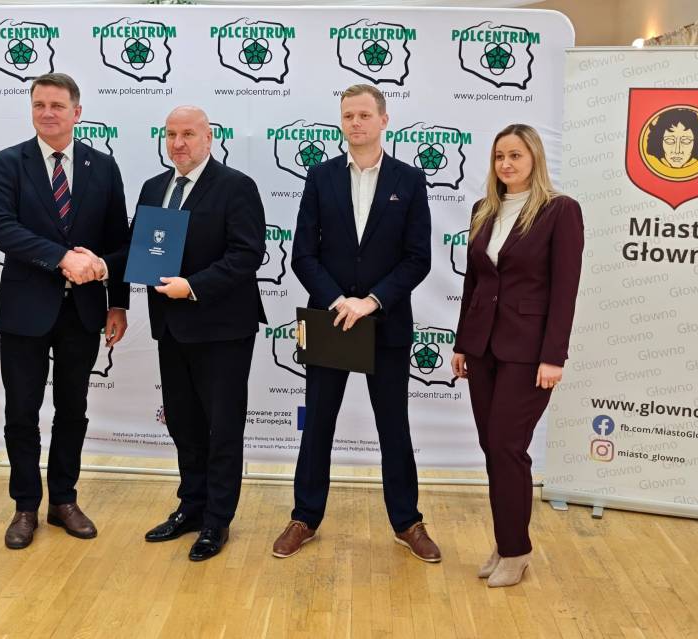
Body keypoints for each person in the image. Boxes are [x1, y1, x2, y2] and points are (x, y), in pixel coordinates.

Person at [272, 84, 438, 562]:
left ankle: (407, 522)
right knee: (318, 424)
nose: (356, 123)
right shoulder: (319, 177)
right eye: (348, 115)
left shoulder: (410, 180)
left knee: (394, 427)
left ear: (384, 120)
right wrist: (338, 299)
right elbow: (302, 254)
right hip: (331, 320)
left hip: (385, 322)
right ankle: (304, 517)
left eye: (365, 115)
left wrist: (371, 301)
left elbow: (418, 258)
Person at [0, 73, 131, 550]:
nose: (47, 113)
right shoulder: (7, 163)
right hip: (25, 310)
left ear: (76, 112)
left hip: (83, 312)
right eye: (39, 104)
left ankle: (64, 500)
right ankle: (25, 505)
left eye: (57, 105)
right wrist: (62, 257)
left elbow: (119, 242)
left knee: (73, 410)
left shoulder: (103, 167)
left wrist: (118, 302)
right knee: (21, 412)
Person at [451, 124, 584, 587]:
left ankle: (516, 550)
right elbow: (474, 284)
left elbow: (565, 289)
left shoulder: (559, 210)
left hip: (529, 352)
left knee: (507, 446)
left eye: (515, 155)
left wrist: (554, 356)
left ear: (535, 159)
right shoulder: (483, 209)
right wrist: (462, 343)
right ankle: (507, 540)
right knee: (494, 448)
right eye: (499, 156)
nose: (506, 164)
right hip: (482, 347)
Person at [137, 106, 266, 561]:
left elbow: (247, 254)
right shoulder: (154, 187)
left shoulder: (235, 186)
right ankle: (191, 507)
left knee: (222, 428)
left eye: (188, 134)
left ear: (209, 138)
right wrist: (99, 264)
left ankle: (217, 520)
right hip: (171, 328)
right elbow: (142, 249)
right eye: (171, 134)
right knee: (183, 424)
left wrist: (193, 286)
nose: (178, 143)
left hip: (222, 329)